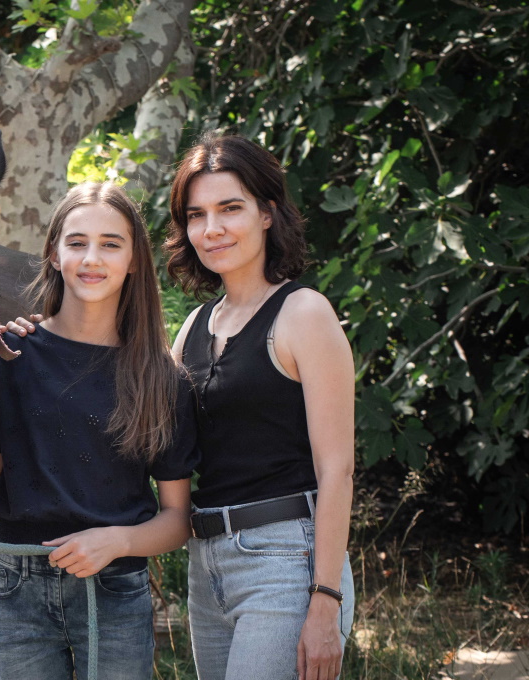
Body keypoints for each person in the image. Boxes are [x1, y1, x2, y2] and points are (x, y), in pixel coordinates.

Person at [0, 182, 199, 680]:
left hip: (114, 591)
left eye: (111, 244)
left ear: (135, 259)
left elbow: (177, 520)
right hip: (16, 589)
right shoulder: (10, 357)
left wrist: (116, 542)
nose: (92, 258)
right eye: (76, 243)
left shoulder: (162, 379)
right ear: (52, 253)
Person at [166, 133, 355, 680]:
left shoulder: (303, 314)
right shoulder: (193, 328)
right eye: (197, 215)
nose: (212, 228)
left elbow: (337, 469)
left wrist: (325, 600)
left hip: (288, 561)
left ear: (268, 213)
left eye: (231, 208)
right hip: (206, 566)